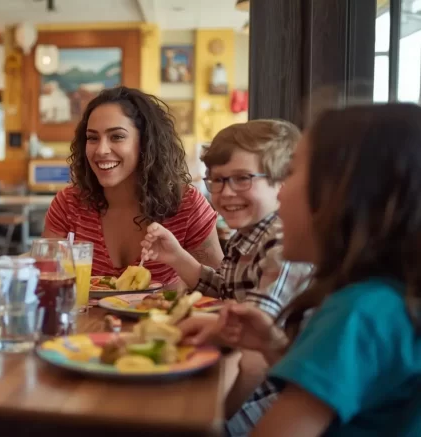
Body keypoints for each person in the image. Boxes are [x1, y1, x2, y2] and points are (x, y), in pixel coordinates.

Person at [184, 104, 421, 436]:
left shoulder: (359, 313)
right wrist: (273, 346)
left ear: (340, 195)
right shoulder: (387, 297)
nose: (281, 192)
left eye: (293, 172)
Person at [142, 120, 313, 435]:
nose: (225, 192)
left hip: (276, 395)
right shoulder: (246, 236)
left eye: (242, 179)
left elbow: (254, 324)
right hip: (246, 372)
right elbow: (223, 288)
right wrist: (177, 256)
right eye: (217, 180)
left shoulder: (282, 242)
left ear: (283, 182)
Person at [43, 86, 223, 285]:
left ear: (145, 142)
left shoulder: (187, 205)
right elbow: (45, 282)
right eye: (92, 138)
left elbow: (222, 289)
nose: (101, 150)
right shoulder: (68, 204)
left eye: (117, 136)